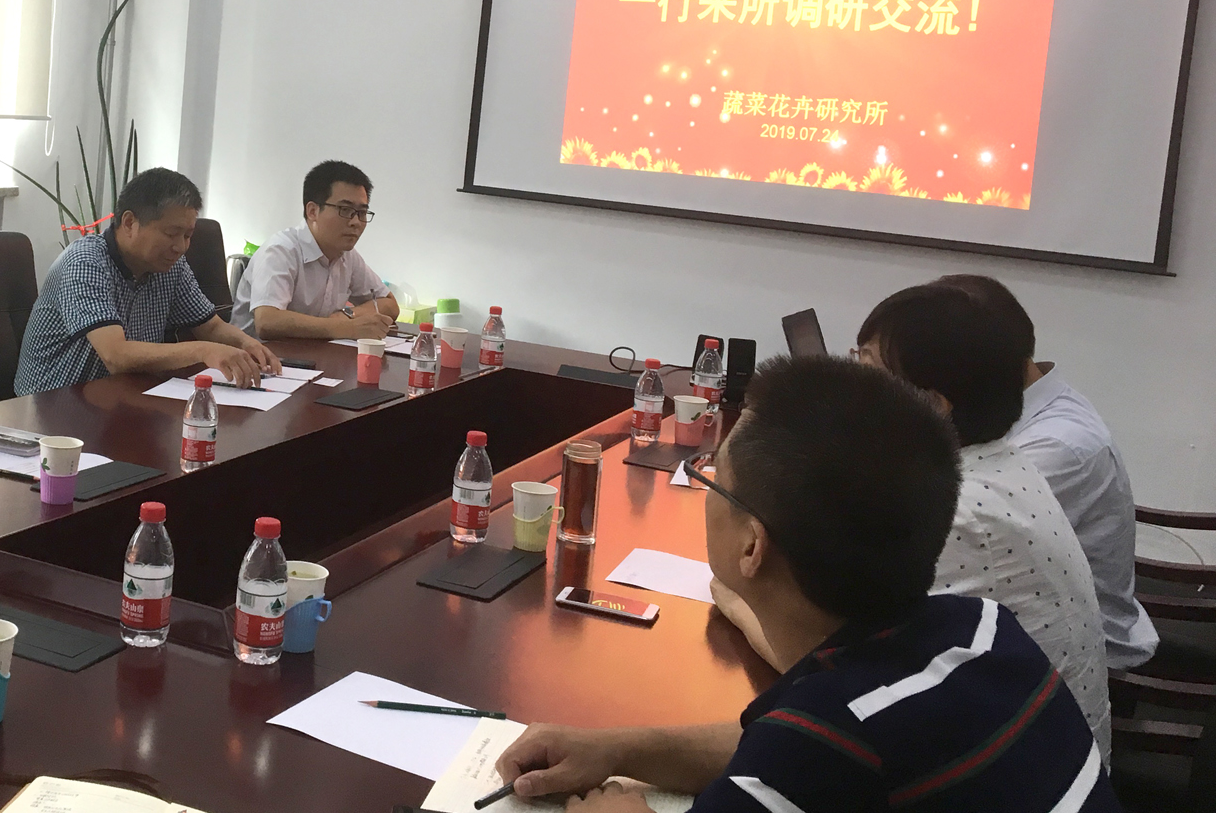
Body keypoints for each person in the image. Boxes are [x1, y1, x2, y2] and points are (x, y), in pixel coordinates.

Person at [495, 357, 1116, 811]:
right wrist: (618, 749)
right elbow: (776, 743)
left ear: (752, 545)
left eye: (713, 481)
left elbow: (794, 756)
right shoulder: (982, 631)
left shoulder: (811, 751)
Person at [933, 272, 1157, 670]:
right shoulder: (1033, 409)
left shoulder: (1056, 446)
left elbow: (937, 539)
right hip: (1027, 620)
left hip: (1084, 650)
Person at [15, 167, 279, 395]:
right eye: (172, 233)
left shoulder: (170, 266)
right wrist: (204, 351)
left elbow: (209, 327)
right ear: (130, 222)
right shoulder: (85, 262)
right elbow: (115, 355)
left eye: (188, 236)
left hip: (121, 397)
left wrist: (247, 343)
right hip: (51, 406)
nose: (181, 247)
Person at [231, 160, 398, 340]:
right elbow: (267, 321)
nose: (355, 222)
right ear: (312, 211)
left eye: (362, 212)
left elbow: (389, 304)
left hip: (312, 353)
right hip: (258, 354)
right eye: (345, 210)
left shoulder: (347, 256)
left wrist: (348, 315)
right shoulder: (281, 250)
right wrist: (345, 328)